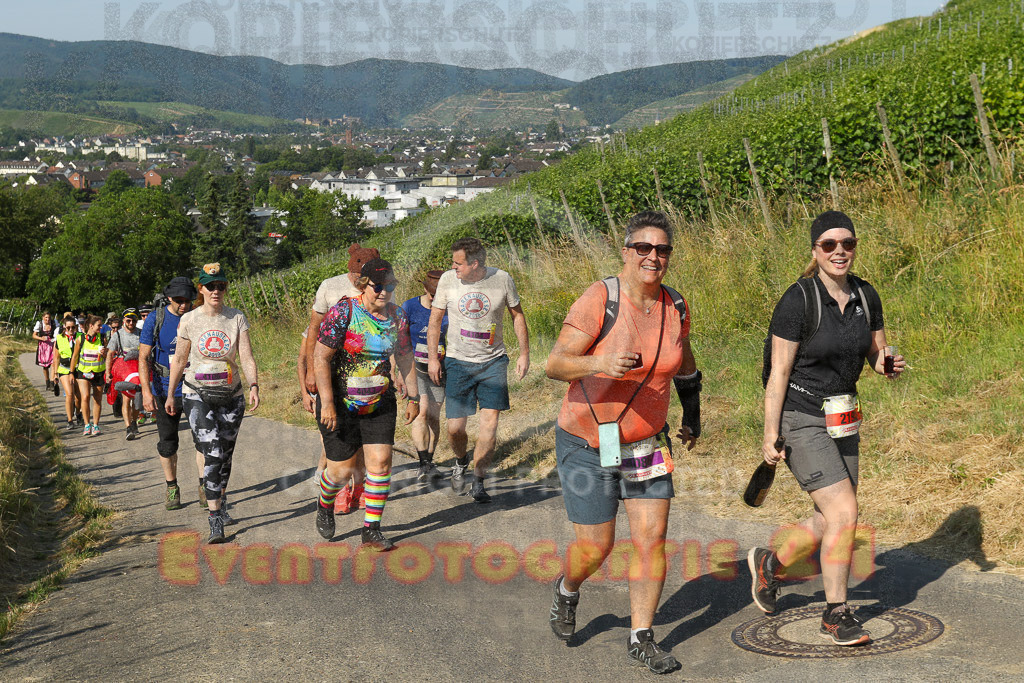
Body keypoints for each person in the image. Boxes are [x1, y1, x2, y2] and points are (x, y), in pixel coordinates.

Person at [544, 211, 699, 674]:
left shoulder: (677, 306)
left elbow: (684, 363)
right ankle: (568, 589)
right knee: (597, 546)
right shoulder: (600, 299)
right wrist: (599, 363)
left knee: (651, 541)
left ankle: (641, 636)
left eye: (663, 249)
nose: (654, 257)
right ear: (627, 252)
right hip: (587, 440)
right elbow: (555, 364)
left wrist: (692, 414)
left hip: (646, 441)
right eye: (644, 248)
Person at [747, 210, 906, 647]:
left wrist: (886, 363)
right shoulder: (798, 299)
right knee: (844, 513)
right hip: (801, 416)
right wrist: (770, 432)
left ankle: (770, 564)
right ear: (815, 250)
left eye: (847, 244)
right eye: (829, 245)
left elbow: (875, 354)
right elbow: (778, 372)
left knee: (828, 515)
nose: (840, 252)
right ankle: (836, 614)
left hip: (843, 416)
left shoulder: (866, 296)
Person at [312, 258, 418, 551]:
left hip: (379, 400)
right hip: (341, 402)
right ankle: (324, 503)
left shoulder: (398, 317)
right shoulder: (344, 311)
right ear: (364, 284)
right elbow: (321, 358)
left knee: (381, 464)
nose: (384, 292)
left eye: (391, 286)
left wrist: (413, 395)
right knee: (341, 471)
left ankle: (371, 528)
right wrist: (328, 404)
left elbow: (406, 356)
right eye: (378, 286)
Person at [426, 237, 530, 502]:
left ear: (475, 264)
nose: (453, 267)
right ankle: (460, 461)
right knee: (455, 429)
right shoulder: (449, 280)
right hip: (458, 362)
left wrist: (524, 354)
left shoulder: (502, 279)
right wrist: (434, 358)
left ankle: (479, 481)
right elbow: (435, 320)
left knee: (489, 424)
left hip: (493, 361)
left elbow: (517, 315)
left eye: (458, 262)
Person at [165, 263, 260, 544]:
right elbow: (180, 360)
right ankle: (215, 518)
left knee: (226, 456)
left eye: (221, 286)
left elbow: (246, 356)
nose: (216, 290)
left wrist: (254, 384)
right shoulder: (190, 320)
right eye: (210, 286)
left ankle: (221, 498)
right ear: (201, 289)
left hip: (231, 395)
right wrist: (171, 394)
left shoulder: (236, 318)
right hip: (197, 393)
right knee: (213, 454)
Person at [298, 243, 379, 511]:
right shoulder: (330, 287)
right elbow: (314, 328)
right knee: (339, 434)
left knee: (366, 434)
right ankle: (343, 489)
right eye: (358, 277)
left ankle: (362, 485)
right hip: (331, 370)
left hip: (367, 372)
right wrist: (310, 368)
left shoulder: (381, 287)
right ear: (351, 271)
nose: (362, 283)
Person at [139, 276, 206, 511]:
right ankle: (171, 487)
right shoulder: (155, 319)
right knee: (168, 443)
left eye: (188, 300)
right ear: (169, 298)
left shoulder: (198, 317)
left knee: (202, 440)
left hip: (195, 387)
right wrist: (146, 392)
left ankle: (204, 486)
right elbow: (143, 357)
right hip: (163, 389)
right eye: (179, 300)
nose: (184, 305)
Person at [401, 270, 448, 482]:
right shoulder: (409, 307)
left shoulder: (451, 308)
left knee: (433, 416)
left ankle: (429, 461)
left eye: (439, 296)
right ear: (424, 290)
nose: (434, 300)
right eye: (431, 295)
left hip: (440, 368)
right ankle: (423, 463)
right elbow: (398, 341)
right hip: (414, 367)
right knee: (421, 411)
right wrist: (397, 371)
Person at [105, 309, 142, 440]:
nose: (131, 323)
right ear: (124, 321)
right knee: (126, 399)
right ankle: (128, 427)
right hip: (124, 373)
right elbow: (110, 354)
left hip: (138, 371)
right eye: (128, 320)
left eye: (134, 320)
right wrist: (108, 372)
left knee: (138, 398)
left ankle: (134, 421)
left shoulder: (141, 334)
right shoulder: (118, 335)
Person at [71, 314, 108, 437]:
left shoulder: (102, 338)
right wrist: (71, 373)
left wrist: (104, 353)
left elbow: (107, 357)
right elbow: (75, 357)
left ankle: (95, 425)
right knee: (85, 396)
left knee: (97, 399)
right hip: (83, 372)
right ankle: (87, 425)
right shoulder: (80, 339)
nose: (101, 327)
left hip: (98, 372)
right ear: (91, 326)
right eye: (99, 325)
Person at [53, 316, 83, 430]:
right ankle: (70, 420)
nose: (71, 330)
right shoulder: (59, 338)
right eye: (68, 327)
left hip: (78, 368)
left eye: (73, 327)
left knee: (79, 395)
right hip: (64, 369)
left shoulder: (81, 337)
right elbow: (56, 357)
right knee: (69, 394)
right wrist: (55, 374)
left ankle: (78, 413)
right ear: (64, 327)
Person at [32, 311, 56, 391]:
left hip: (52, 346)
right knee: (45, 367)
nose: (47, 319)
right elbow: (34, 335)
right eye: (46, 317)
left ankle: (52, 383)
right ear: (43, 318)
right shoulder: (39, 324)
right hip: (43, 347)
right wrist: (41, 338)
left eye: (49, 317)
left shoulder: (54, 323)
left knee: (53, 364)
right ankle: (47, 382)